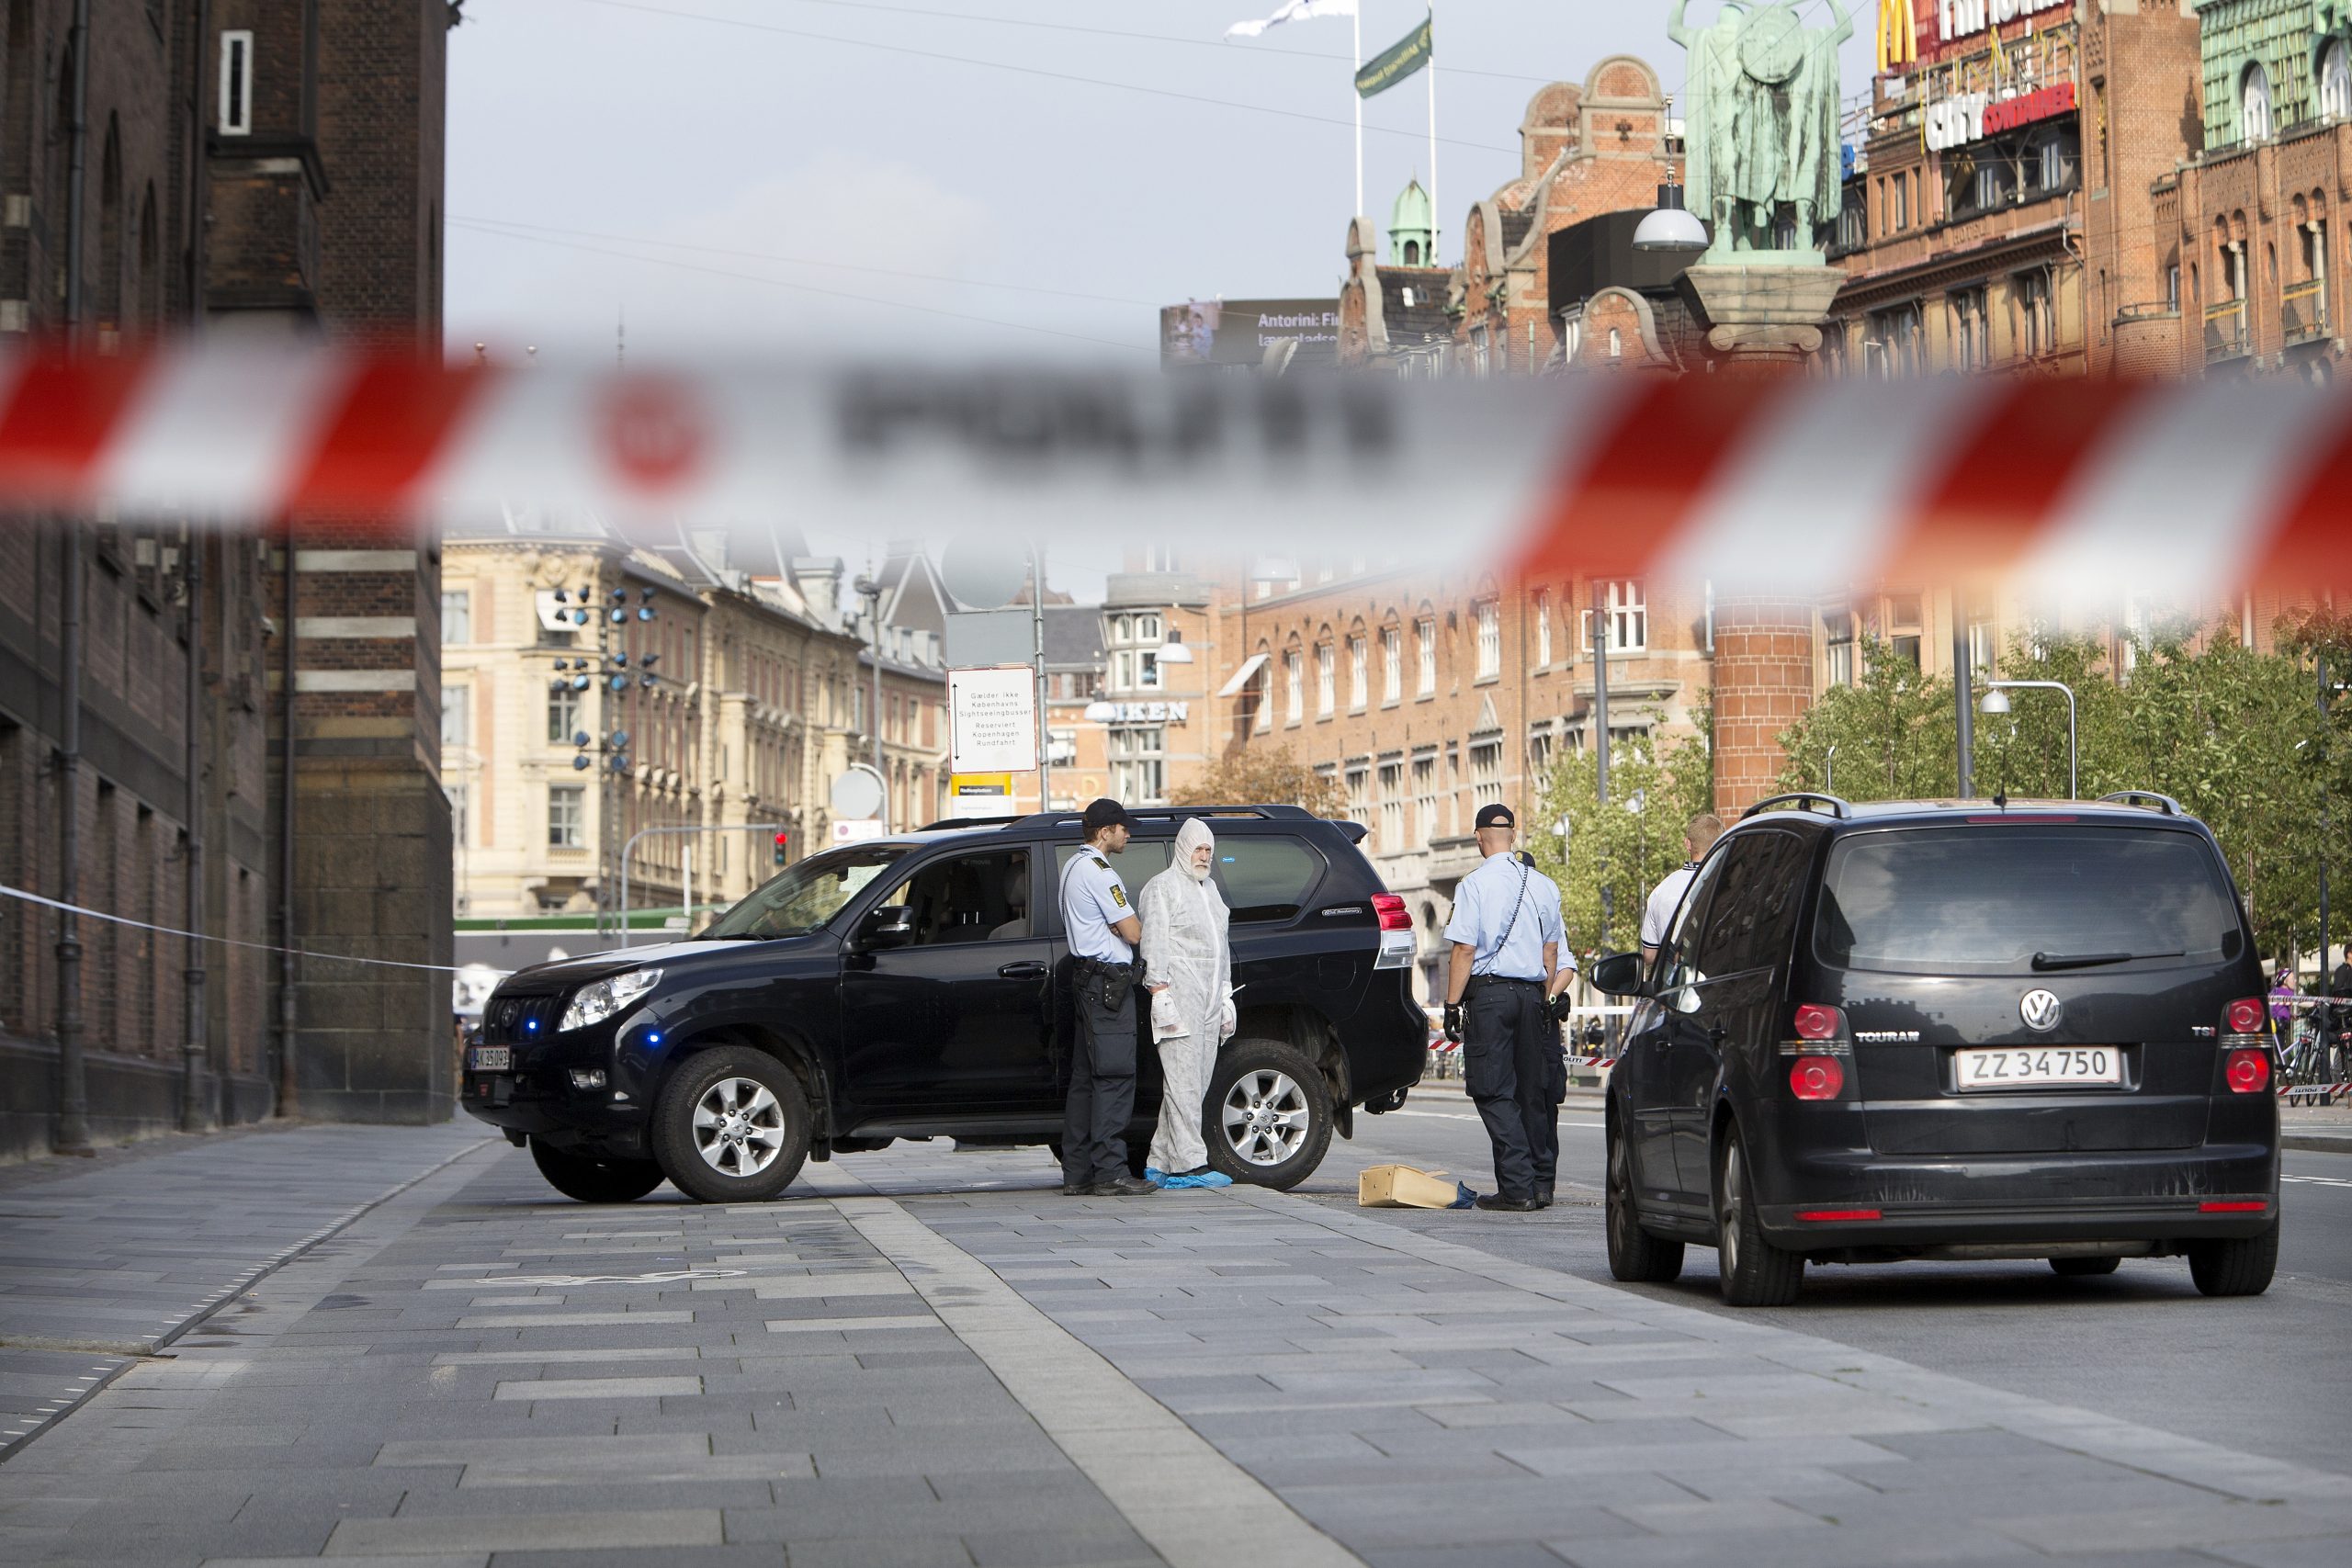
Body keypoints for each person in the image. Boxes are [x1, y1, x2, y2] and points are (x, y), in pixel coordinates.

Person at [1442, 803, 1566, 1213]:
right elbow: (1551, 951)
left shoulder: (1474, 884)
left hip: (1491, 997)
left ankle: (1516, 1188)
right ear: (1513, 836)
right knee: (1531, 1091)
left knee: (1492, 1089)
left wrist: (1451, 1005)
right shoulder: (1544, 885)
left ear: (1479, 838)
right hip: (1532, 996)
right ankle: (1538, 1185)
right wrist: (1544, 998)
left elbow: (1464, 949)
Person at [1058, 797, 1156, 1198]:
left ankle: (1078, 1172)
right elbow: (1134, 932)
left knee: (1085, 1081)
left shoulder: (1072, 865)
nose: (1127, 834)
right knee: (1114, 1077)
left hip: (1088, 983)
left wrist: (1117, 926)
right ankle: (1111, 1172)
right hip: (1108, 986)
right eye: (1122, 828)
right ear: (1104, 832)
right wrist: (1124, 927)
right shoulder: (1101, 873)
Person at [1138, 817, 1237, 1189]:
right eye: (1198, 849)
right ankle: (1189, 1164)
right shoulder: (1163, 887)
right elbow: (1154, 941)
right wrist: (1159, 991)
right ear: (1183, 849)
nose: (1204, 856)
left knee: (1196, 1080)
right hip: (1177, 994)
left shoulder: (1210, 889)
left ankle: (1159, 1161)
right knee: (1183, 1081)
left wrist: (1225, 994)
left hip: (1209, 996)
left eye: (1209, 850)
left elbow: (1220, 945)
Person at [1641, 814, 1726, 967]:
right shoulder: (1729, 883)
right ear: (1722, 843)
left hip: (1675, 980)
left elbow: (1649, 955)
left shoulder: (1661, 890)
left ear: (1688, 844)